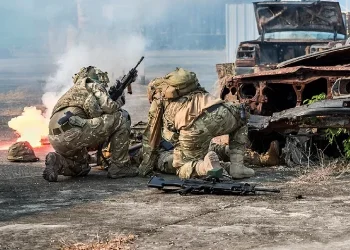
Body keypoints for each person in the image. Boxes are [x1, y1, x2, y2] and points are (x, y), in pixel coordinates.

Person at [138, 67, 255, 179]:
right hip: (221, 111)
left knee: (182, 167)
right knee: (242, 116)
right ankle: (237, 166)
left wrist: (145, 168)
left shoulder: (159, 98)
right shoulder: (191, 88)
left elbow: (151, 136)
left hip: (193, 125)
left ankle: (204, 167)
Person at [43, 66, 138, 182]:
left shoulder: (72, 91)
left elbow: (92, 114)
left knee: (82, 168)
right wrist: (120, 101)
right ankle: (120, 167)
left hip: (55, 138)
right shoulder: (92, 84)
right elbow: (110, 108)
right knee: (122, 117)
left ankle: (57, 161)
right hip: (73, 132)